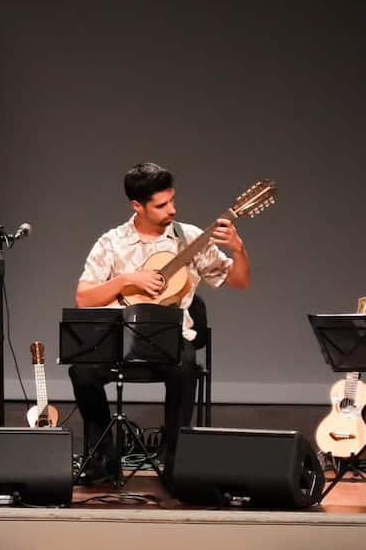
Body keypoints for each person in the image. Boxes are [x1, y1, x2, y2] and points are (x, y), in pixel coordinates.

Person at [69, 162, 251, 485]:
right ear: (137, 206)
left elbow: (239, 282)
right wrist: (127, 279)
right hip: (121, 337)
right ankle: (103, 456)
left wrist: (238, 250)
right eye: (161, 205)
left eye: (172, 200)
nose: (172, 209)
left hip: (168, 338)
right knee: (81, 370)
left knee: (185, 366)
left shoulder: (189, 238)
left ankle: (175, 461)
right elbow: (84, 298)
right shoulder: (112, 242)